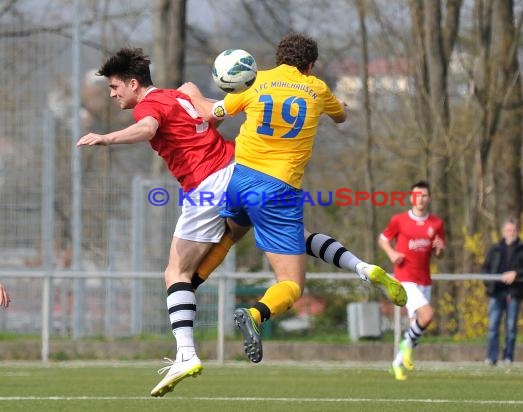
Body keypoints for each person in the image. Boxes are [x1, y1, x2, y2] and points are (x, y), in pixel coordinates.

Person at [77, 47, 405, 396]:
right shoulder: (176, 97)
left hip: (208, 185)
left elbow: (146, 129)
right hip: (239, 170)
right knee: (281, 237)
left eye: (115, 87)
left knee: (176, 273)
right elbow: (211, 119)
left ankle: (186, 353)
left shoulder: (149, 105)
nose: (113, 94)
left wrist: (106, 138)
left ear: (132, 83)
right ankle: (360, 267)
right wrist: (198, 96)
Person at [183, 32, 407, 364]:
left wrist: (193, 94)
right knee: (291, 284)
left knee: (232, 232)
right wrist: (336, 105)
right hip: (278, 192)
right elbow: (341, 115)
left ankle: (189, 284)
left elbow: (209, 113)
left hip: (239, 179)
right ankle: (256, 315)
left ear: (278, 58)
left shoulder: (256, 82)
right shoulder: (318, 89)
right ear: (311, 65)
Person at [378, 180, 445, 380]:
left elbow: (439, 253)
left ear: (429, 198)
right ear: (411, 197)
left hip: (424, 279)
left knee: (418, 324)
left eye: (424, 195)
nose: (420, 199)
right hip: (405, 278)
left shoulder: (436, 223)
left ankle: (396, 364)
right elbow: (383, 238)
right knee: (428, 315)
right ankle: (405, 347)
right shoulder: (399, 220)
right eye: (417, 195)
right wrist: (391, 253)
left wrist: (440, 249)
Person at [482, 217, 523, 369]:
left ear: (517, 231)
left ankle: (508, 357)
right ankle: (491, 358)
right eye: (507, 230)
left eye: (513, 230)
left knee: (511, 327)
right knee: (493, 326)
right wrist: (490, 284)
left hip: (514, 293)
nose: (510, 233)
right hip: (496, 293)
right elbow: (484, 269)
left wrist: (516, 274)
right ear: (503, 232)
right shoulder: (495, 249)